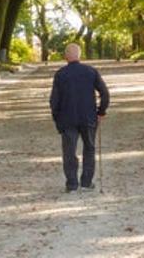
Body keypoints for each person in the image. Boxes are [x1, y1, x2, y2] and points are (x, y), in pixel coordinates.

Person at [49, 43, 109, 193]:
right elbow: (105, 93)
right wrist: (101, 111)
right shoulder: (91, 71)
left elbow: (53, 101)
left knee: (69, 152)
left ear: (65, 57)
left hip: (67, 119)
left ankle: (72, 184)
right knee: (89, 148)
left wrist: (57, 118)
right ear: (79, 55)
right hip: (88, 117)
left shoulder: (60, 74)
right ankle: (86, 182)